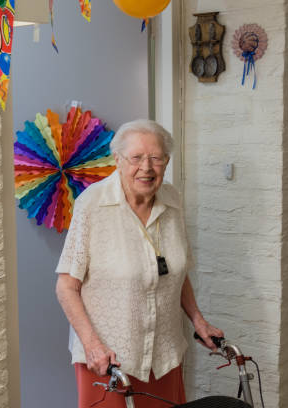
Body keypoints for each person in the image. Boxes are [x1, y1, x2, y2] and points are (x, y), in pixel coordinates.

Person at [55, 119, 223, 408]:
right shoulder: (92, 205)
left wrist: (198, 320)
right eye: (136, 158)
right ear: (118, 160)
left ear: (167, 162)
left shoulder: (172, 201)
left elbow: (176, 273)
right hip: (109, 361)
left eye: (156, 158)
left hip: (163, 355)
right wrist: (92, 346)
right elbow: (66, 287)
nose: (146, 167)